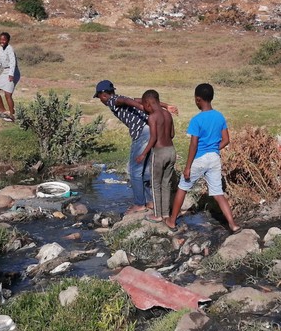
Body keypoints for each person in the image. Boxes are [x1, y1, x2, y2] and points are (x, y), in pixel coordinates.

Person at [165, 83, 241, 234]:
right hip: (214, 158)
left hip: (199, 159)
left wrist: (187, 167)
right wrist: (213, 149)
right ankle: (233, 225)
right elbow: (226, 140)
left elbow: (193, 145)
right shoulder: (219, 116)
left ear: (198, 100)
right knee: (218, 193)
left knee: (183, 187)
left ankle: (172, 221)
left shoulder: (196, 120)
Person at [94, 80, 177, 214]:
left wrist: (143, 108)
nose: (100, 100)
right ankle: (150, 201)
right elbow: (140, 100)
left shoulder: (111, 100)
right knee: (146, 169)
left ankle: (139, 204)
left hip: (142, 131)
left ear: (103, 95)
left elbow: (127, 101)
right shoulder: (118, 98)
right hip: (150, 129)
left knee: (135, 170)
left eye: (99, 97)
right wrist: (165, 105)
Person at [135, 90, 176, 223]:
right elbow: (172, 134)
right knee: (166, 184)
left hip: (159, 153)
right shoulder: (168, 114)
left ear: (147, 104)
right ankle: (165, 214)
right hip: (171, 151)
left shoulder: (152, 117)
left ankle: (157, 215)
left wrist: (143, 154)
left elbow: (153, 138)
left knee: (155, 184)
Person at [0, 32, 20, 122]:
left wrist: (11, 74)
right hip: (4, 71)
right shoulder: (0, 49)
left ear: (8, 40)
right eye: (0, 39)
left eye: (4, 39)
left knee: (8, 94)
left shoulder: (10, 49)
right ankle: (2, 110)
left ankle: (12, 116)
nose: (2, 41)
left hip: (13, 71)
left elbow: (13, 62)